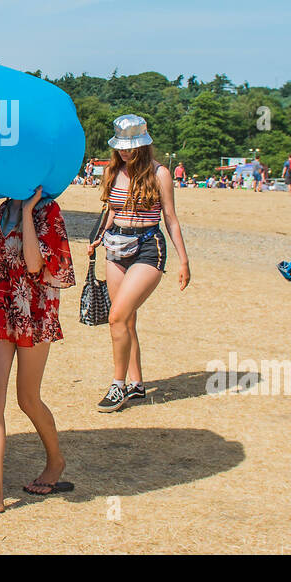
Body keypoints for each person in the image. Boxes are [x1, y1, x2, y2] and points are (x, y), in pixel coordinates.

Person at [0, 186, 75, 518]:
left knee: (27, 398)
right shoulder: (1, 210)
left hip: (33, 311)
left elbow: (35, 265)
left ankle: (56, 459)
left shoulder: (48, 210)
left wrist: (26, 213)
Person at [89, 115, 192, 413]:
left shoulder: (160, 173)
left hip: (148, 246)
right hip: (115, 246)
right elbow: (111, 209)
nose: (124, 152)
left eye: (130, 147)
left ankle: (117, 385)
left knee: (117, 317)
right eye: (121, 146)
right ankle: (137, 384)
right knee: (126, 318)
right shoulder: (113, 171)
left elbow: (170, 218)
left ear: (143, 145)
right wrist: (98, 236)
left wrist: (184, 260)